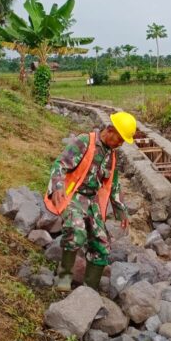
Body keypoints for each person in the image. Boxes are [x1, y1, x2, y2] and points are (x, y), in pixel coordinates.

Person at [45, 111, 137, 292]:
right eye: (119, 139)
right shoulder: (85, 141)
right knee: (76, 229)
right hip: (74, 195)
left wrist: (121, 210)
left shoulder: (112, 155)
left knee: (102, 243)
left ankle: (89, 289)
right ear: (110, 130)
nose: (120, 144)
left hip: (92, 200)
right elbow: (60, 164)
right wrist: (57, 185)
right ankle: (63, 277)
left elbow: (113, 184)